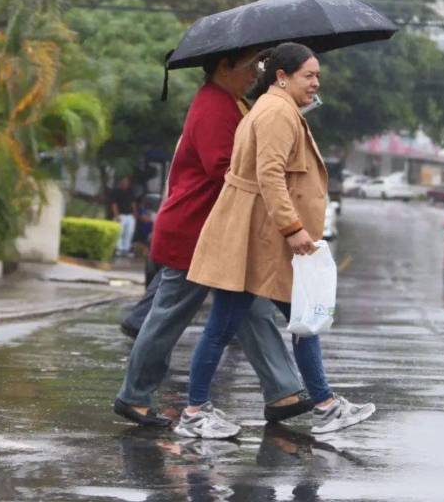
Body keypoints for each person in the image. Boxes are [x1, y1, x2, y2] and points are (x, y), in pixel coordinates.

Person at [177, 43, 376, 439]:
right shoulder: (275, 113)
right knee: (226, 325)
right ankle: (195, 412)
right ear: (282, 76)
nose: (316, 82)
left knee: (302, 319)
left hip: (264, 238)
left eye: (318, 75)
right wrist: (293, 229)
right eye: (309, 75)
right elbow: (270, 176)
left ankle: (325, 404)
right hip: (259, 238)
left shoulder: (279, 109)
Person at [114, 47, 314, 428]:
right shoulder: (214, 106)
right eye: (250, 66)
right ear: (224, 66)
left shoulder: (231, 103)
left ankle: (284, 391)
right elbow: (226, 167)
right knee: (168, 317)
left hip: (217, 229)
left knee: (250, 309)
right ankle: (134, 396)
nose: (257, 73)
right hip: (195, 228)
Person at [110, 176, 137, 257]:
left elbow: (133, 203)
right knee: (119, 232)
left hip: (129, 215)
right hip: (120, 215)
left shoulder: (130, 191)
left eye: (127, 182)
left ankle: (126, 249)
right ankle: (119, 249)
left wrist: (135, 213)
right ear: (120, 182)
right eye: (124, 182)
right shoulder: (116, 191)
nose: (126, 183)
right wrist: (116, 215)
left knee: (129, 232)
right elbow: (114, 204)